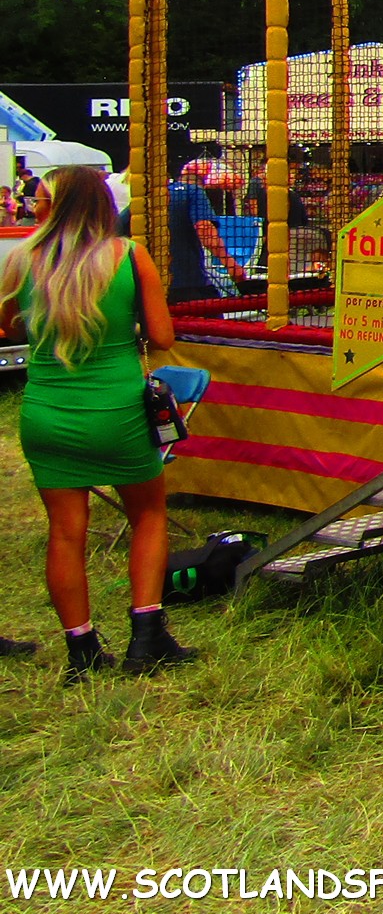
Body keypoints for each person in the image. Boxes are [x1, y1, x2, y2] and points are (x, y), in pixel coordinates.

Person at [0, 166, 197, 683]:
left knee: (65, 532)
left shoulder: (22, 260)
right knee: (149, 516)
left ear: (59, 206)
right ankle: (147, 635)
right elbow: (162, 335)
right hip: (117, 410)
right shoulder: (129, 256)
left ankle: (81, 649)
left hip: (46, 411)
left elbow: (9, 324)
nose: (33, 206)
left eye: (41, 198)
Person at [165, 159, 244, 305]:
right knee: (214, 323)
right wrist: (233, 267)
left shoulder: (147, 198)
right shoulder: (193, 192)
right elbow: (205, 231)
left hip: (151, 285)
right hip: (187, 282)